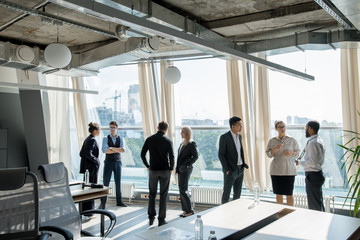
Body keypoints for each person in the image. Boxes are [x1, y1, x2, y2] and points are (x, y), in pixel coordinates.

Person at [141, 121, 174, 227]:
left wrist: (147, 165)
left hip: (153, 170)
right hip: (165, 170)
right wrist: (171, 168)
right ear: (166, 129)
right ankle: (161, 219)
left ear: (157, 127)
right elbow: (172, 156)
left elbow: (142, 154)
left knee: (152, 194)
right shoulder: (168, 141)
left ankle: (151, 217)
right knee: (163, 195)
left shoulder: (149, 139)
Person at [266, 120, 300, 206]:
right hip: (276, 169)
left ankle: (290, 213)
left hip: (289, 169)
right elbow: (269, 154)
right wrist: (274, 149)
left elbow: (298, 154)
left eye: (283, 126)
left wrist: (291, 153)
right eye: (280, 127)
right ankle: (279, 213)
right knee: (278, 193)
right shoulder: (272, 141)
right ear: (276, 129)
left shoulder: (292, 140)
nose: (282, 129)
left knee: (289, 193)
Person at [296, 120, 325, 211]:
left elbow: (312, 163)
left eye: (306, 128)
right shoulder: (318, 140)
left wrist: (300, 163)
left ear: (310, 129)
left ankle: (316, 223)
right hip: (317, 175)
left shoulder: (313, 143)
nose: (305, 130)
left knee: (314, 205)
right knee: (318, 202)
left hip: (312, 176)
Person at [218, 116, 249, 204]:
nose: (241, 127)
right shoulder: (224, 137)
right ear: (233, 126)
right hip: (230, 170)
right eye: (239, 125)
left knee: (237, 194)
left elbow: (240, 152)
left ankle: (235, 213)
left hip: (240, 169)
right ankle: (223, 212)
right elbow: (221, 155)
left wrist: (243, 164)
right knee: (226, 194)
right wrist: (226, 169)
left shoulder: (239, 137)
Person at [102, 121, 127, 207]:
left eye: (113, 127)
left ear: (117, 128)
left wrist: (111, 148)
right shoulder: (105, 138)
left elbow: (123, 150)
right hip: (108, 162)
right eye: (110, 127)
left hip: (117, 162)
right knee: (106, 182)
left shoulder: (121, 139)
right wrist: (117, 149)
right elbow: (105, 150)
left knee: (118, 182)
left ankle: (119, 201)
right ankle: (103, 203)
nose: (112, 129)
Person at [176, 126, 198, 218]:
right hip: (181, 169)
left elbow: (195, 156)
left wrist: (186, 165)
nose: (181, 133)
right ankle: (185, 210)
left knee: (183, 189)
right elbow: (179, 158)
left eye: (182, 132)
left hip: (186, 169)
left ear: (187, 133)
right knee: (181, 189)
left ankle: (189, 211)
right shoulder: (182, 143)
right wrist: (177, 169)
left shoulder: (191, 144)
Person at [79, 122, 101, 214]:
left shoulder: (87, 139)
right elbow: (88, 154)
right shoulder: (92, 140)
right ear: (95, 131)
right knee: (91, 189)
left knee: (87, 189)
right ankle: (90, 212)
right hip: (92, 168)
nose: (100, 132)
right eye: (99, 130)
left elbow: (81, 153)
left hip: (87, 168)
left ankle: (86, 211)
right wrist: (96, 160)